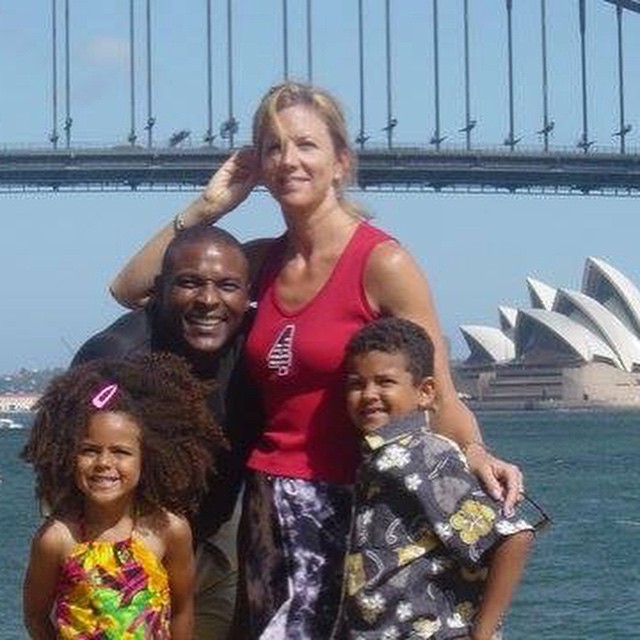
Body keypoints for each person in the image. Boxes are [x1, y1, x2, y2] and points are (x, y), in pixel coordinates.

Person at [110, 81, 524, 639]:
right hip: (267, 504)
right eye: (274, 147)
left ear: (340, 162)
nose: (288, 160)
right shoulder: (260, 261)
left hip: (358, 506)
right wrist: (209, 206)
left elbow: (438, 391)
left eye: (306, 145)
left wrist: (475, 451)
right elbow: (132, 287)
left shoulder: (383, 262)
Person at [72, 224, 263, 639]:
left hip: (211, 546)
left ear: (248, 294)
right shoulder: (117, 359)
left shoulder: (256, 347)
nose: (209, 300)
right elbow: (71, 468)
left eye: (227, 286)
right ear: (158, 290)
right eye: (189, 283)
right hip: (120, 551)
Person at [337, 317, 534, 640]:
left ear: (425, 392)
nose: (369, 394)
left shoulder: (423, 454)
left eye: (385, 382)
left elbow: (513, 537)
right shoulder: (377, 454)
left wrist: (483, 632)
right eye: (357, 384)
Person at [21, 353, 225, 640]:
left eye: (121, 452)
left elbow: (181, 608)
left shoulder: (169, 530)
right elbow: (35, 615)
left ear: (147, 459)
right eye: (89, 450)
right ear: (69, 455)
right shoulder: (57, 538)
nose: (104, 462)